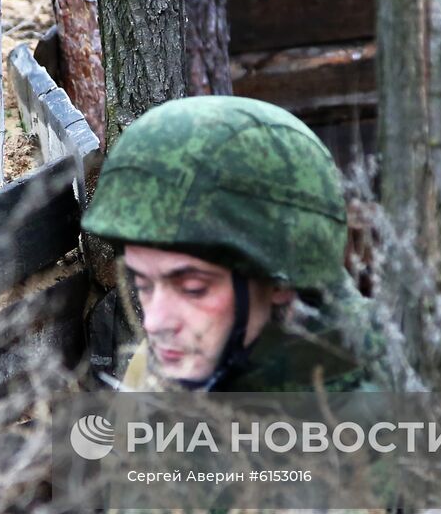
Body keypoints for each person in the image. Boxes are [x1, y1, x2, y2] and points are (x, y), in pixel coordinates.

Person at [81, 95, 391, 393]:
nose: (155, 322)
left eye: (193, 288)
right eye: (143, 284)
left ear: (280, 282)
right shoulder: (157, 369)